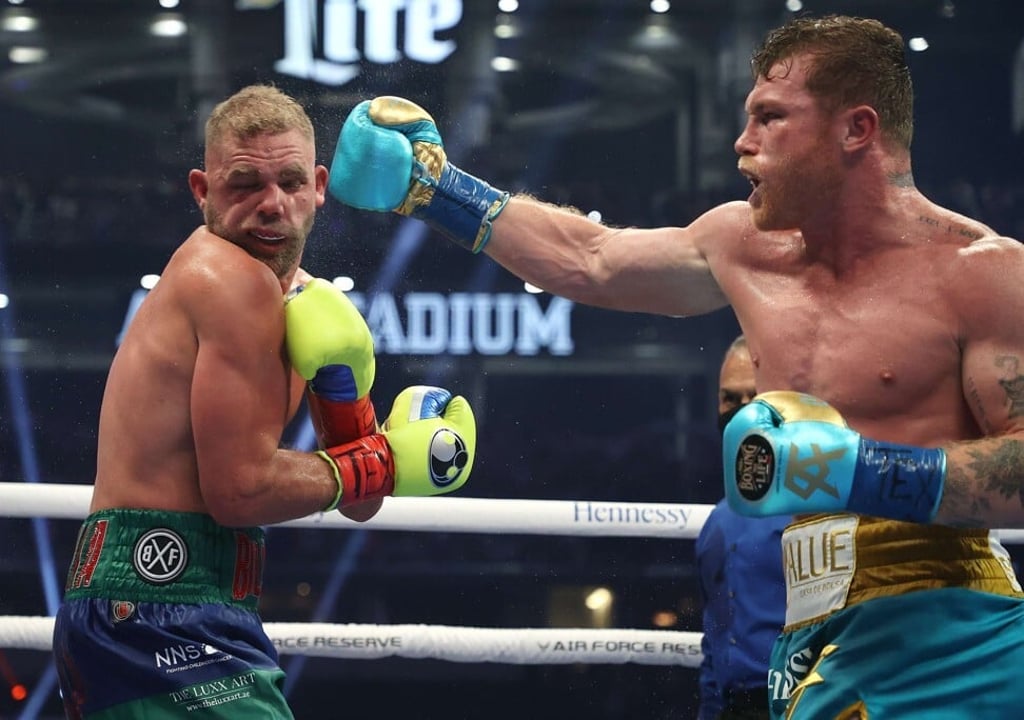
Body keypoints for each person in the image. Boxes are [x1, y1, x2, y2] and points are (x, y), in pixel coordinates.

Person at [327, 13, 1024, 719]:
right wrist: (435, 188)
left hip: (949, 637)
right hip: (812, 630)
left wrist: (865, 470)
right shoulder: (745, 246)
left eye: (771, 118)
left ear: (856, 130)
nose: (742, 143)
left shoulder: (982, 274)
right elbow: (590, 259)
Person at [51, 84, 477, 719]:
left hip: (184, 608)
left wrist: (353, 413)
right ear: (202, 191)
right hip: (151, 607)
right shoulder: (228, 280)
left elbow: (356, 502)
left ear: (320, 186)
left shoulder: (307, 301)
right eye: (244, 184)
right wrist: (390, 458)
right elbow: (241, 491)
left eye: (289, 181)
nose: (271, 204)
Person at [696, 336, 787, 720]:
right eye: (730, 399)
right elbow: (715, 645)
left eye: (755, 398)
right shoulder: (718, 522)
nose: (742, 413)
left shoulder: (819, 510)